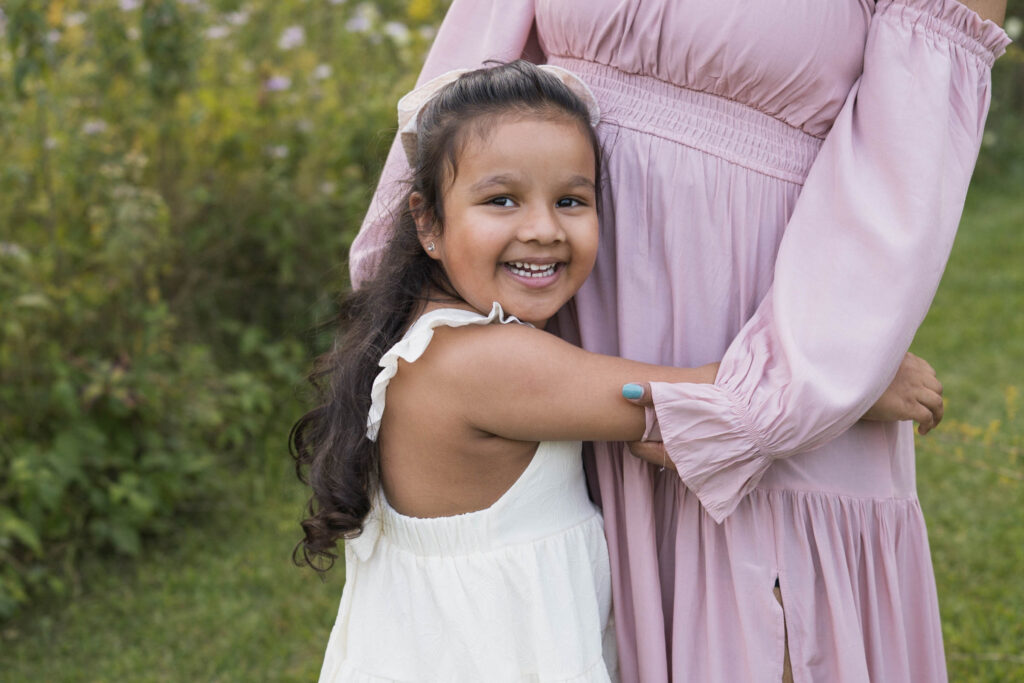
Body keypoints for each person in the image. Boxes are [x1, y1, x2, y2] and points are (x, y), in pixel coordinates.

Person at [347, 2, 1010, 681]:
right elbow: (465, 75)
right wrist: (852, 390)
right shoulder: (479, 362)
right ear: (426, 221)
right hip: (585, 322)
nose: (541, 226)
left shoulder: (479, 359)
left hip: (787, 319)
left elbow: (910, 134)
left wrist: (819, 373)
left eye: (567, 203)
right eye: (504, 202)